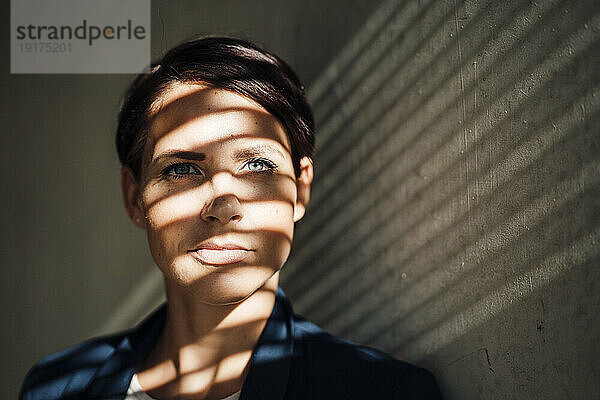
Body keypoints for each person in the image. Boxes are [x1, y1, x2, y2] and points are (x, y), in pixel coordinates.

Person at [19, 36, 442, 400]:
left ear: (301, 188)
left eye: (257, 165)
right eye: (181, 169)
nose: (224, 206)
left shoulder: (381, 392)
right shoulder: (57, 389)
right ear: (135, 198)